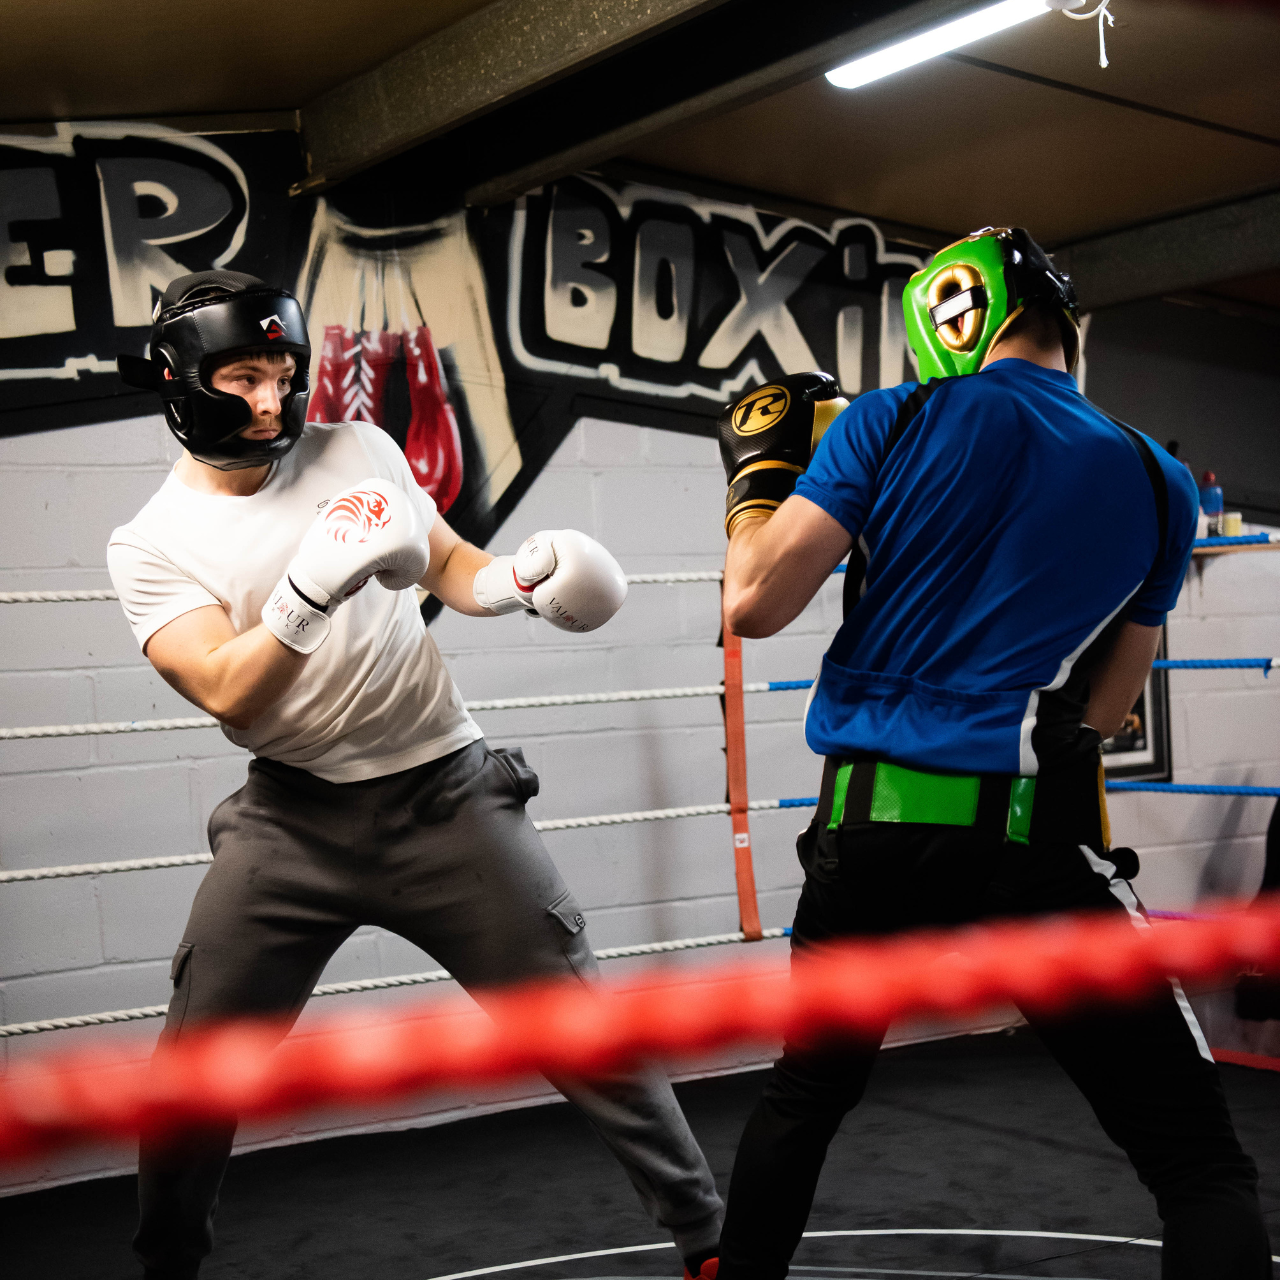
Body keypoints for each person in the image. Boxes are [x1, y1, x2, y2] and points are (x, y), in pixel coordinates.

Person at [110, 271, 724, 1280]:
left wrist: (518, 580)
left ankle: (709, 1242)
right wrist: (309, 587)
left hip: (447, 794)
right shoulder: (149, 543)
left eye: (282, 375)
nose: (270, 401)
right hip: (291, 824)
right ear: (181, 380)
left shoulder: (358, 449)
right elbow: (227, 690)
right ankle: (166, 1265)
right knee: (195, 1071)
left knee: (582, 1026)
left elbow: (448, 567)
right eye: (242, 379)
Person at [712, 228, 1271, 1280]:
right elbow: (1107, 708)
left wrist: (755, 484)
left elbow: (753, 600)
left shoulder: (889, 418)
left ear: (942, 326)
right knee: (1197, 1160)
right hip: (1026, 843)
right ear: (1063, 325)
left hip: (867, 833)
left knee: (806, 1094)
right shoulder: (1159, 480)